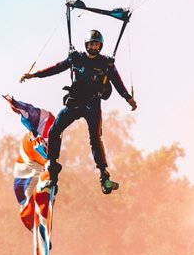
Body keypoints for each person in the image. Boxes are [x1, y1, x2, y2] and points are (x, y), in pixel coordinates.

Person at [20, 29, 137, 194]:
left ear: (100, 46)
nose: (94, 47)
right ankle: (53, 173)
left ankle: (104, 176)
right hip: (74, 104)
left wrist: (128, 98)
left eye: (97, 44)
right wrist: (35, 75)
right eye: (92, 44)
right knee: (54, 131)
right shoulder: (76, 58)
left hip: (92, 105)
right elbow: (57, 68)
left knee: (95, 138)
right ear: (87, 45)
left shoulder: (106, 64)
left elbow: (118, 83)